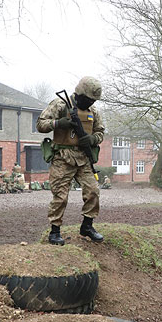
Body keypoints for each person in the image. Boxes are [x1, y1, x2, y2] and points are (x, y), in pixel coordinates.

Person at [36, 76, 105, 245]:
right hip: (62, 158)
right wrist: (58, 123)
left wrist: (91, 139)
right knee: (60, 196)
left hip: (83, 158)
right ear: (79, 93)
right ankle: (55, 231)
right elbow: (40, 124)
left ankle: (87, 226)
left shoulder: (93, 112)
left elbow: (100, 133)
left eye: (93, 101)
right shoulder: (60, 104)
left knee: (93, 191)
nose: (90, 103)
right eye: (88, 99)